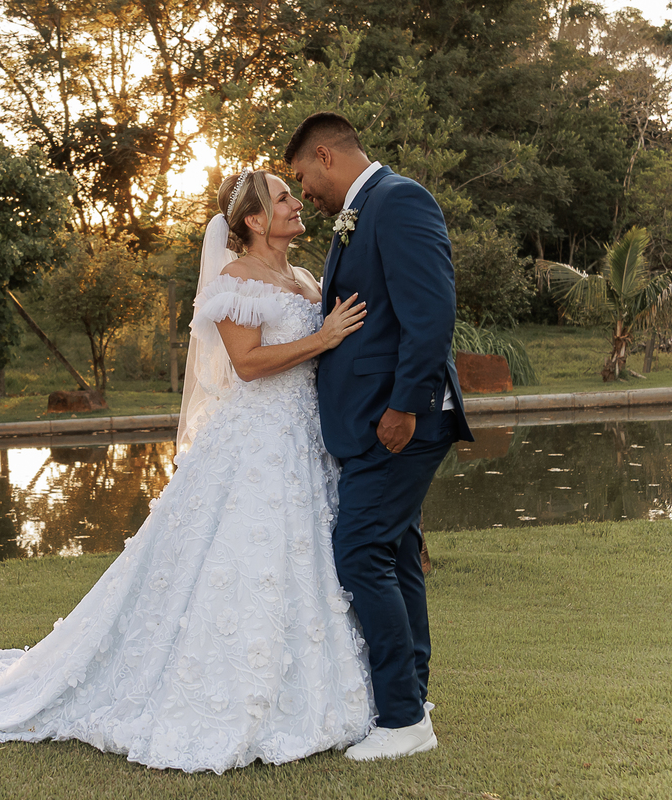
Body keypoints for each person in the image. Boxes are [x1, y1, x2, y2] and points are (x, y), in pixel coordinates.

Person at [0, 168, 374, 773]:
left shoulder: (303, 278)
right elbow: (246, 365)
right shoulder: (233, 282)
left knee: (298, 560)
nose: (296, 204)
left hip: (302, 443)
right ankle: (230, 693)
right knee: (246, 561)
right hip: (252, 446)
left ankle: (311, 690)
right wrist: (322, 339)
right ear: (253, 220)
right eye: (282, 197)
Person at [285, 112, 473, 761]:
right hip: (372, 419)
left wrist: (406, 407)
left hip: (398, 422)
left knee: (359, 551)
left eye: (302, 176)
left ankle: (402, 720)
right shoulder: (360, 211)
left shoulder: (399, 200)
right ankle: (411, 696)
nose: (304, 192)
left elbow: (432, 314)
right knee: (393, 555)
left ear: (324, 155)